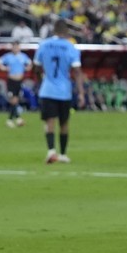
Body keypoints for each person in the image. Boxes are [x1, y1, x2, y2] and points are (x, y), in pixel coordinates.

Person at [34, 19, 85, 165]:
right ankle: (63, 154)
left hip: (47, 89)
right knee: (64, 123)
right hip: (64, 91)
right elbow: (77, 71)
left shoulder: (43, 45)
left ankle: (51, 151)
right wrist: (81, 93)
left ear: (54, 30)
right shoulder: (70, 47)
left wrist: (40, 81)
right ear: (66, 31)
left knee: (50, 121)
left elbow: (36, 67)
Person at [0, 41, 34, 128]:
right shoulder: (8, 56)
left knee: (16, 100)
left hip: (19, 81)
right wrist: (3, 68)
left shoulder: (23, 56)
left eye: (17, 47)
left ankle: (13, 120)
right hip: (11, 80)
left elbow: (30, 64)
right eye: (14, 47)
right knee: (13, 100)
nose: (15, 48)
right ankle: (15, 119)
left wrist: (27, 68)